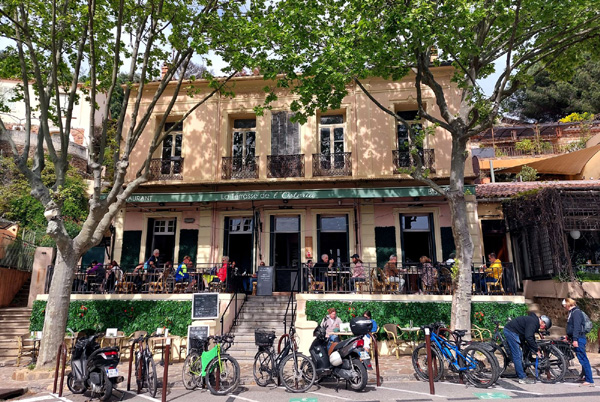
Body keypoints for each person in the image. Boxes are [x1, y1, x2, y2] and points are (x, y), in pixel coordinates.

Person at [503, 313, 552, 384]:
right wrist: (536, 350)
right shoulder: (533, 323)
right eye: (545, 327)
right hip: (511, 332)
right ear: (543, 322)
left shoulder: (534, 321)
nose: (543, 329)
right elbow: (529, 337)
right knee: (518, 355)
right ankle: (522, 378)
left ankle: (521, 369)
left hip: (518, 332)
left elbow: (530, 333)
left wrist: (537, 333)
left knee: (525, 348)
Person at [564, 298, 594, 387]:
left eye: (564, 304)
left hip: (579, 339)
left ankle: (589, 379)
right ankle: (585, 377)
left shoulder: (576, 313)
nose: (564, 306)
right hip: (578, 338)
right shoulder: (573, 312)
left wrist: (575, 339)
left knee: (583, 359)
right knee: (582, 358)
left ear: (568, 304)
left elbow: (577, 327)